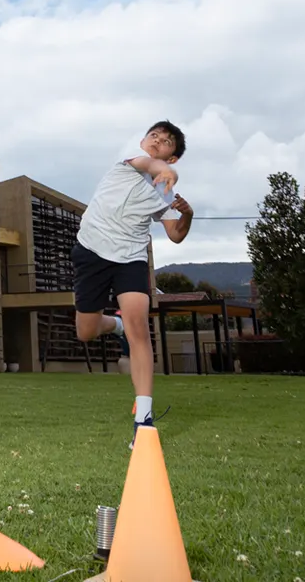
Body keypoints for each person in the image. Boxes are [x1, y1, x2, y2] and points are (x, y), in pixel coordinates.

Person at [71, 120, 194, 445]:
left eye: (166, 142)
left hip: (131, 256)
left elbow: (176, 235)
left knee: (139, 324)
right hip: (92, 250)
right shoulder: (131, 159)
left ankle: (144, 421)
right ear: (143, 140)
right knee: (85, 331)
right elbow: (149, 164)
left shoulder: (163, 192)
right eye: (153, 136)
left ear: (174, 156)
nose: (157, 142)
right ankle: (115, 325)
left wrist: (187, 215)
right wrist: (166, 171)